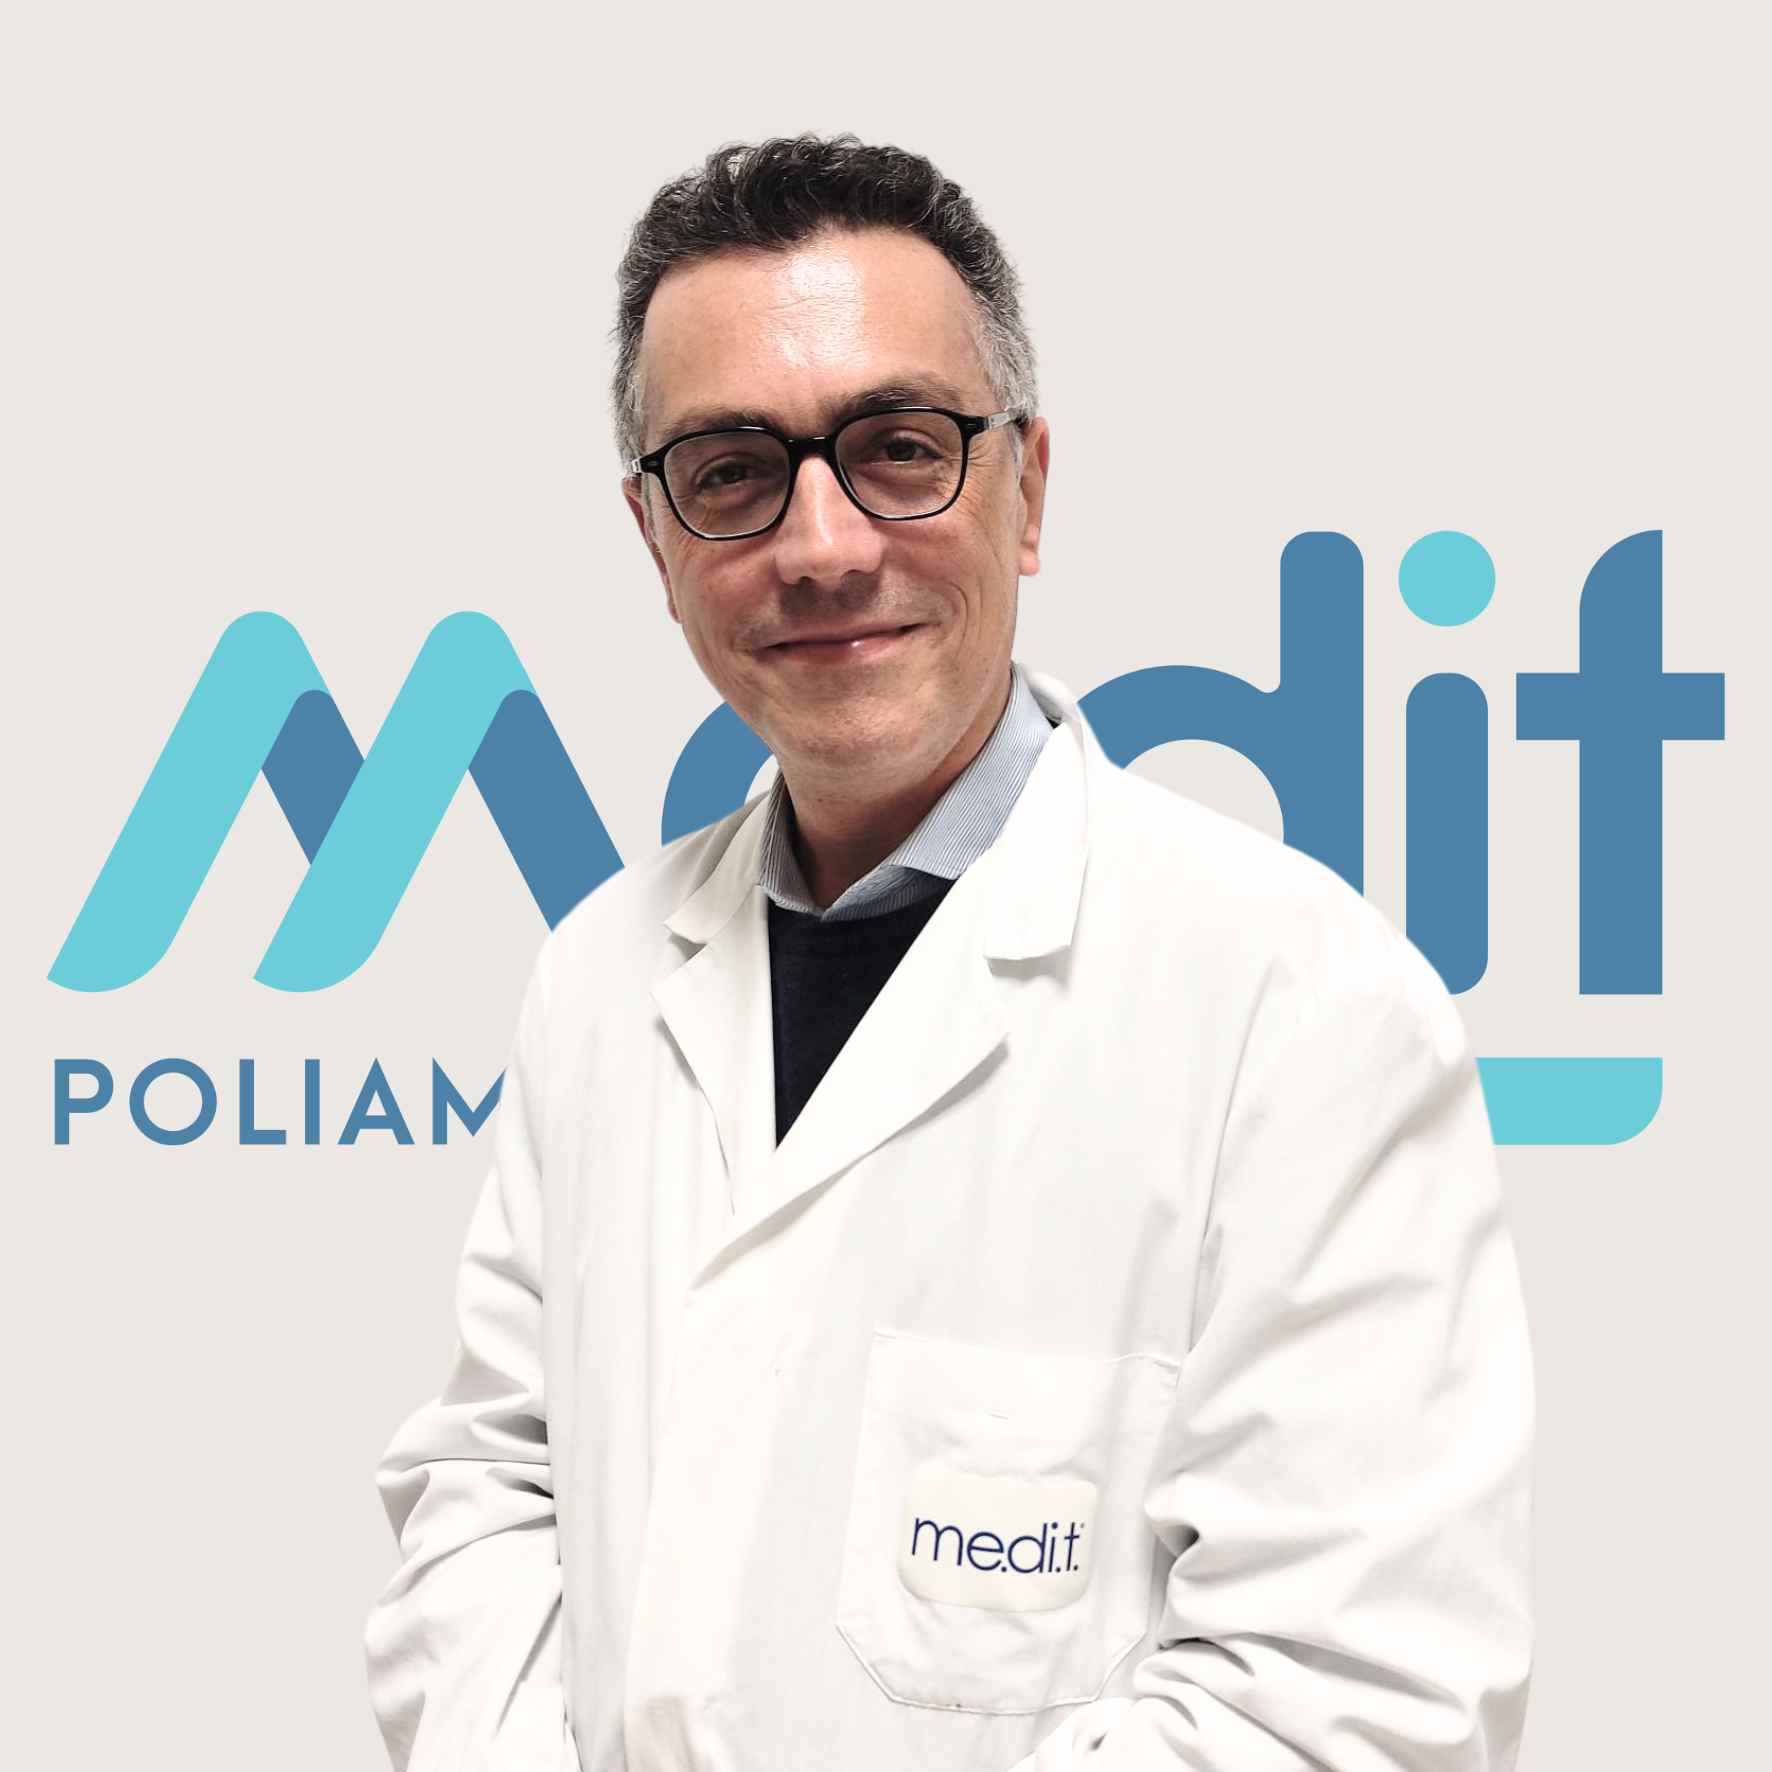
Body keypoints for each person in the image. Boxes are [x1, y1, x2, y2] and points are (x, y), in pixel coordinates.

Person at [364, 133, 1534, 1771]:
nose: (823, 546)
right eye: (731, 472)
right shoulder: (597, 978)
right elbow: (494, 1484)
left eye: (900, 450)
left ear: (1027, 490)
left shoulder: (1303, 1005)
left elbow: (1348, 1705)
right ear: (656, 540)